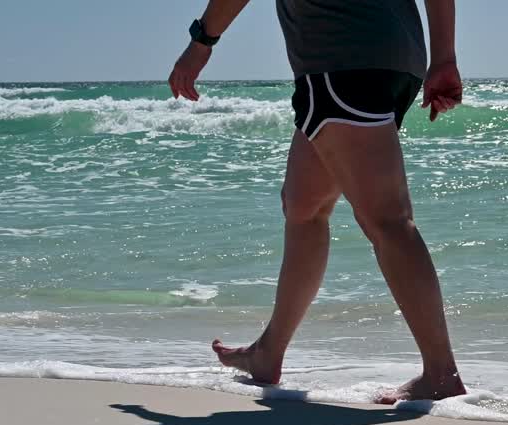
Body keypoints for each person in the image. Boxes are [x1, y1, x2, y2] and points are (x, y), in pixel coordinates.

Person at [169, 0, 467, 403]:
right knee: (303, 206)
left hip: (339, 55)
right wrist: (443, 56)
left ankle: (441, 374)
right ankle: (267, 353)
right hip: (395, 54)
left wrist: (202, 41)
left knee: (387, 219)